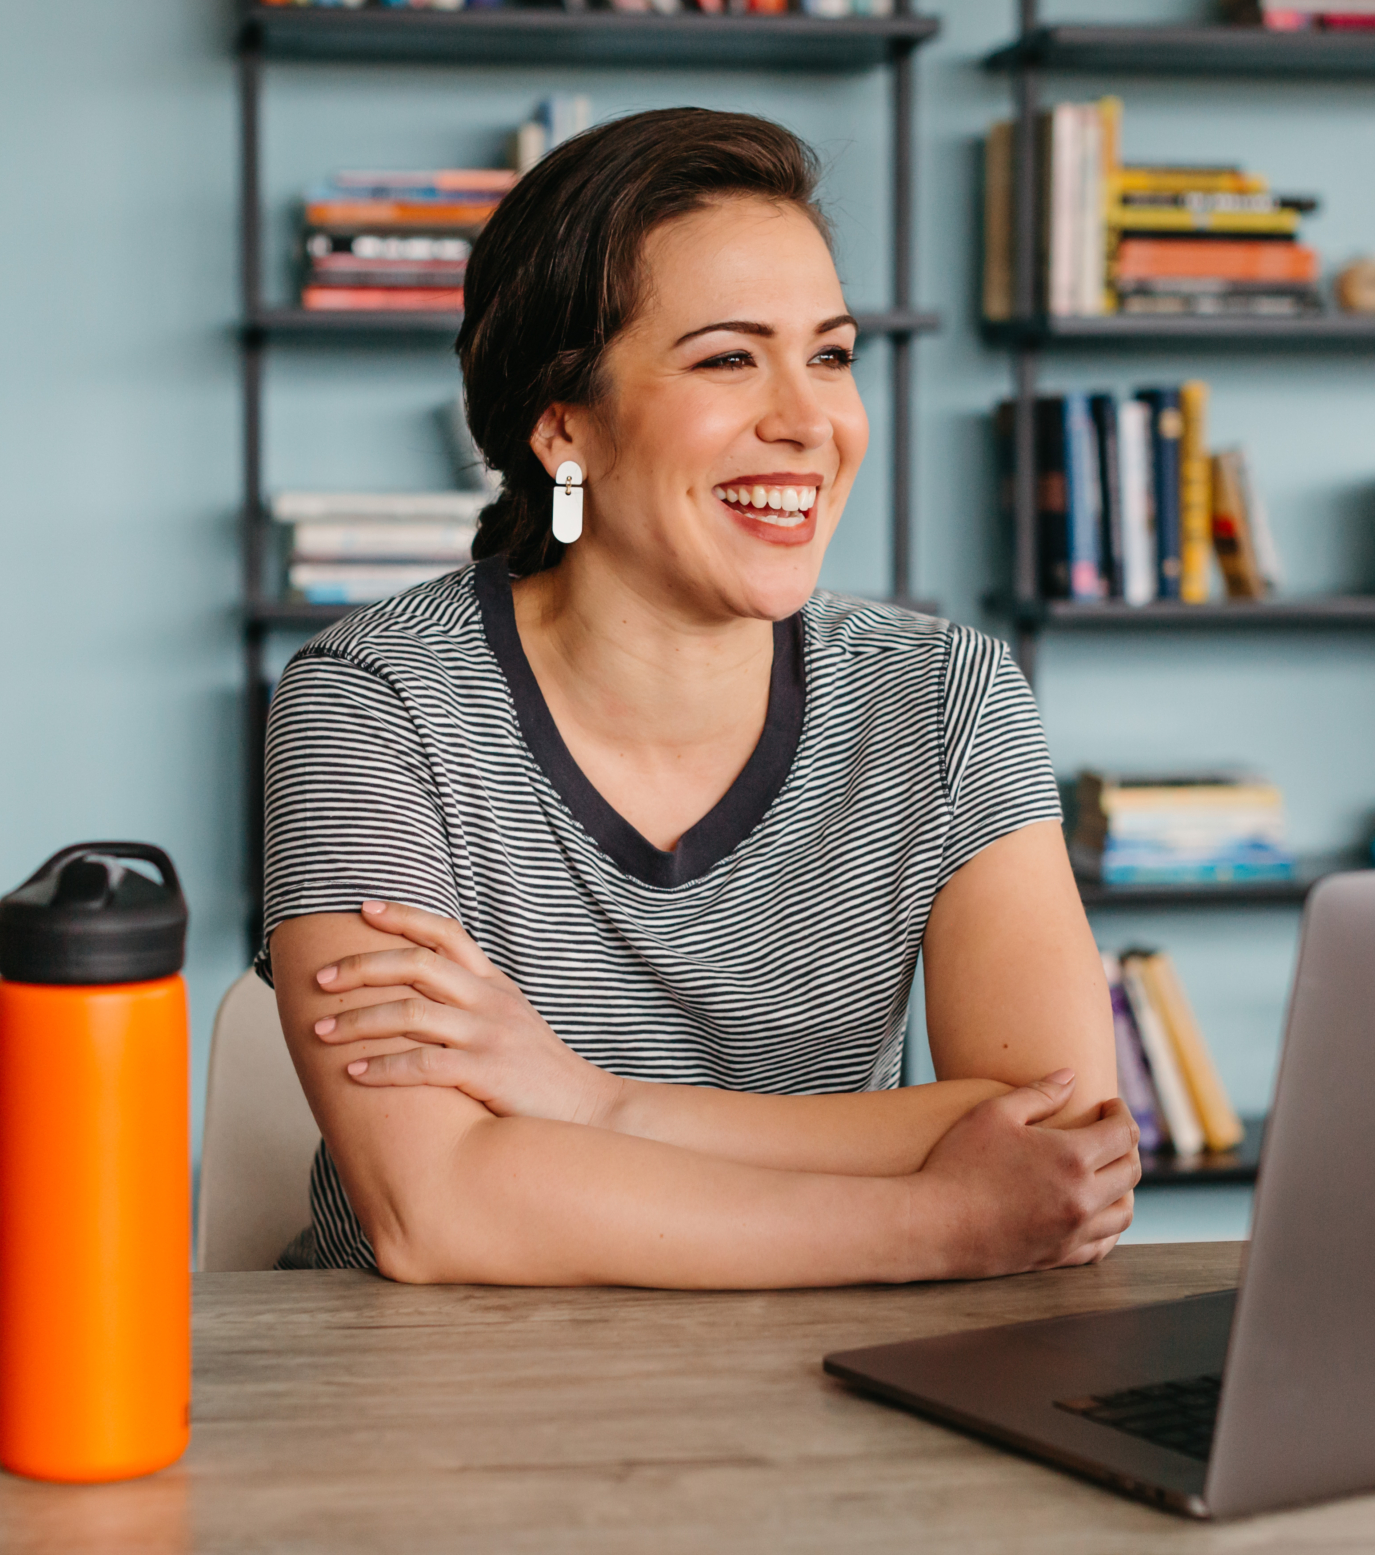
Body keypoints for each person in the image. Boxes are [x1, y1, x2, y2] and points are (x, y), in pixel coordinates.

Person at [265, 107, 1135, 1286]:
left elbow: (1060, 1137)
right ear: (564, 426)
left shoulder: (944, 697)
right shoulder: (376, 703)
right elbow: (440, 1207)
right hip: (435, 1410)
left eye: (829, 355)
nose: (807, 421)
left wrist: (598, 1108)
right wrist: (940, 1223)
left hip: (841, 1385)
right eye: (729, 357)